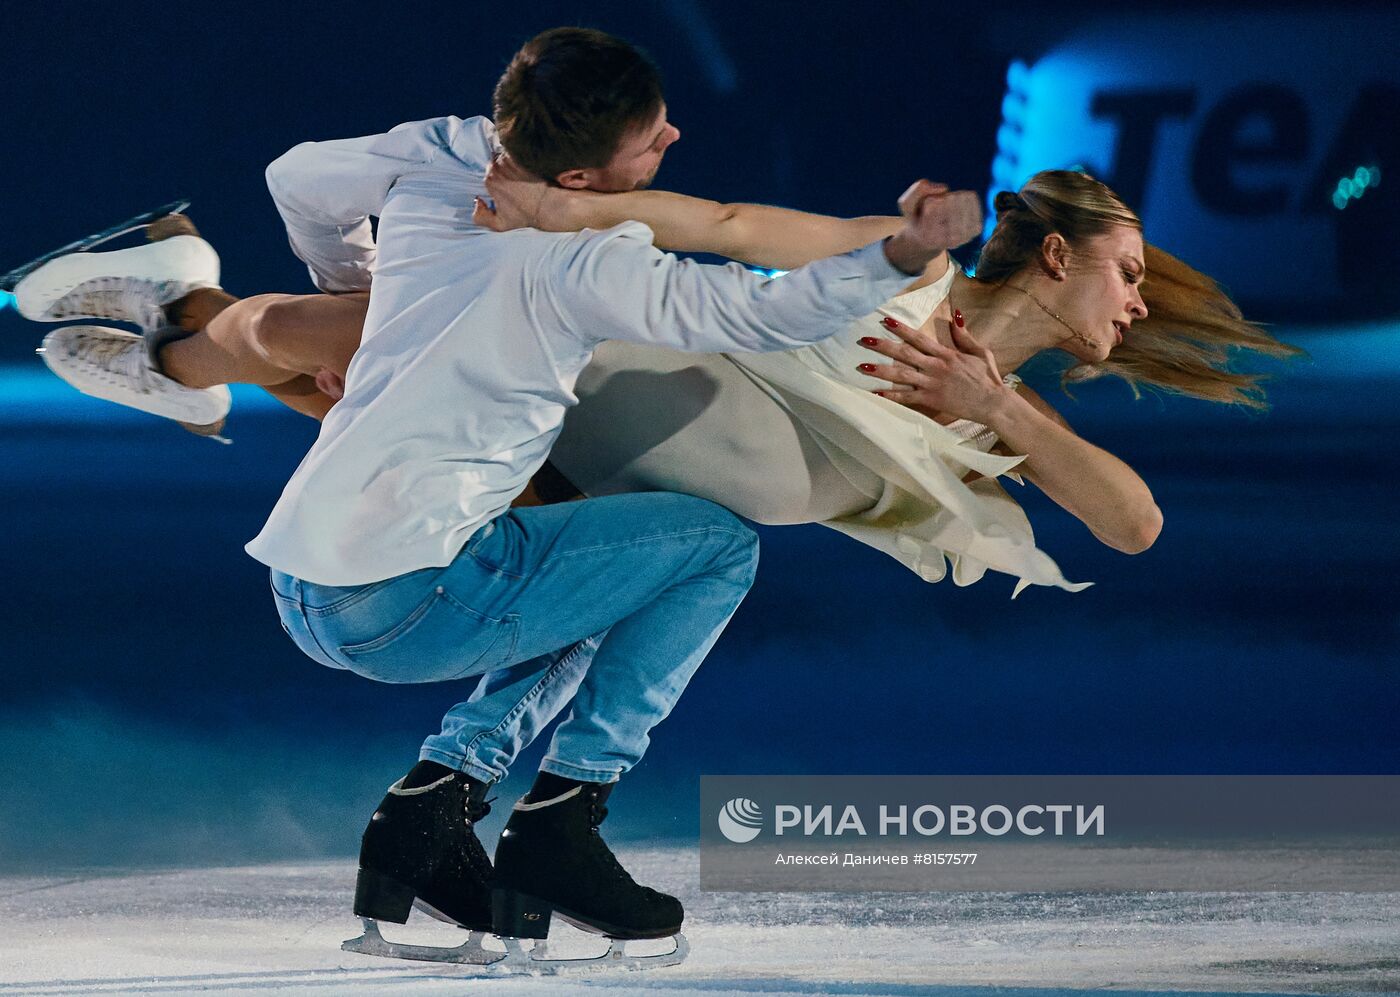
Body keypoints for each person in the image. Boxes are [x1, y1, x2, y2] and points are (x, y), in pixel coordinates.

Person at [18, 26, 986, 959]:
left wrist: (357, 280)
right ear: (576, 179)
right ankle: (567, 816)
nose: (672, 136)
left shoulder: (446, 157)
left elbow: (295, 179)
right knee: (713, 546)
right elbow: (762, 310)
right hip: (402, 608)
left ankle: (427, 819)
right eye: (652, 137)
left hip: (305, 588)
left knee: (597, 553)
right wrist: (895, 259)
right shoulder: (585, 267)